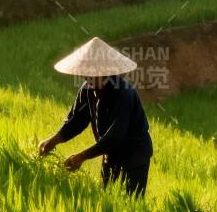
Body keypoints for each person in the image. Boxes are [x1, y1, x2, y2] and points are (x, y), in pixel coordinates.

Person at [38, 37, 153, 196]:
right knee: (106, 198)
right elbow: (76, 120)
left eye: (94, 75)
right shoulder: (88, 89)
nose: (89, 80)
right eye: (87, 75)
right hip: (109, 154)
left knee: (132, 202)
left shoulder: (124, 93)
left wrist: (81, 157)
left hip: (134, 154)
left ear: (107, 73)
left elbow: (115, 136)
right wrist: (53, 140)